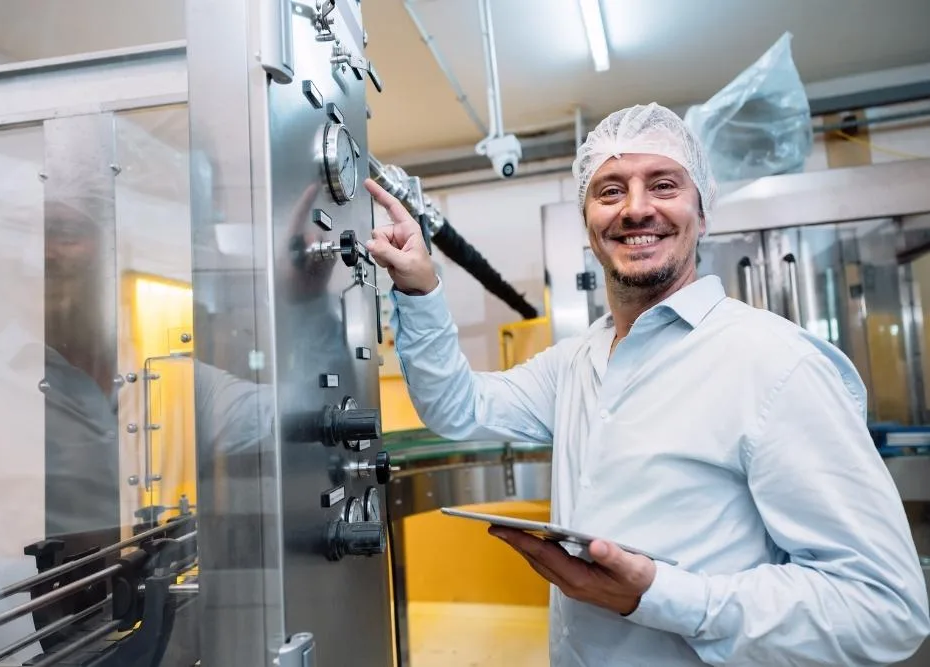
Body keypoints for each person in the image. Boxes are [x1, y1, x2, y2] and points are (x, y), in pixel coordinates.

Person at [363, 102, 930, 666]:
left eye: (662, 185)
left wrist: (661, 596)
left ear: (702, 212)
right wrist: (419, 289)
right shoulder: (578, 360)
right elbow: (458, 408)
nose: (636, 209)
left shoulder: (775, 364)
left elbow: (883, 607)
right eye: (610, 191)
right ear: (587, 224)